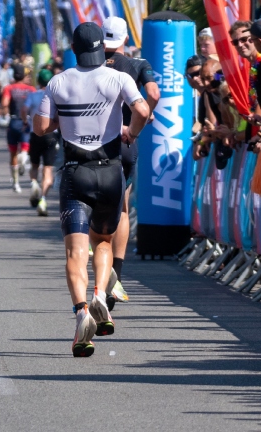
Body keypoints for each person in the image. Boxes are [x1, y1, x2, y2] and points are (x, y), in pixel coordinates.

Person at [33, 23, 150, 358]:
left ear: (73, 48)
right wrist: (131, 133)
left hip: (75, 173)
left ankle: (81, 312)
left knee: (75, 252)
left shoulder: (58, 82)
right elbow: (143, 109)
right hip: (110, 171)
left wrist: (62, 120)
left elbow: (40, 127)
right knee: (104, 241)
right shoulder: (118, 78)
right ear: (102, 47)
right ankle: (100, 293)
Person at [102, 16, 160, 309]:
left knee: (93, 203)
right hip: (126, 142)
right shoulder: (138, 64)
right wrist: (141, 120)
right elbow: (153, 93)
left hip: (94, 143)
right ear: (126, 39)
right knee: (123, 208)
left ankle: (98, 260)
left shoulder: (90, 64)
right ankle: (117, 273)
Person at [26, 67, 58, 216]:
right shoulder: (56, 96)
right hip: (51, 135)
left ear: (38, 81)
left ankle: (34, 183)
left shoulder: (33, 95)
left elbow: (24, 110)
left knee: (34, 165)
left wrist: (26, 121)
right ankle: (43, 199)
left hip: (35, 133)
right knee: (48, 169)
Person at [1, 64, 36, 193]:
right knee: (25, 149)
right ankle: (23, 160)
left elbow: (4, 103)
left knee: (13, 153)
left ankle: (16, 183)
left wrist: (5, 114)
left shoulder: (9, 88)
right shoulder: (31, 89)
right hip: (26, 123)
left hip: (13, 121)